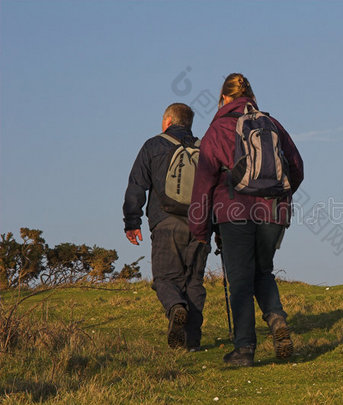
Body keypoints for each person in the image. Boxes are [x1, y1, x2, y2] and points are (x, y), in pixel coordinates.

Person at [189, 73, 304, 366]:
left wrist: (200, 227)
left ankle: (244, 350)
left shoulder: (218, 128)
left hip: (233, 211)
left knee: (240, 280)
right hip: (272, 211)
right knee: (263, 272)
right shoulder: (272, 124)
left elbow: (203, 181)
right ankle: (276, 318)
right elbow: (297, 167)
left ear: (224, 98)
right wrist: (279, 197)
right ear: (250, 96)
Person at [123, 103, 210, 351]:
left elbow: (137, 185)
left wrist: (132, 221)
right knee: (194, 281)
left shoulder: (153, 146)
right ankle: (191, 342)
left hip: (165, 222)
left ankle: (175, 307)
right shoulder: (204, 149)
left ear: (167, 121)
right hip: (200, 224)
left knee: (165, 278)